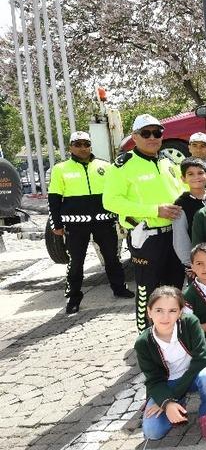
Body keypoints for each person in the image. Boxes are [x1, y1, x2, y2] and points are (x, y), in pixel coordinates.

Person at [103, 114, 186, 332]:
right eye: (146, 133)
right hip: (147, 237)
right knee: (146, 290)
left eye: (157, 133)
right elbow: (110, 201)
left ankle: (171, 333)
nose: (152, 137)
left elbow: (181, 191)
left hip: (174, 235)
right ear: (134, 136)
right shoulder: (123, 165)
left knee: (174, 287)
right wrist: (154, 210)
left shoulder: (168, 161)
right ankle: (145, 335)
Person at [48, 131, 131, 314]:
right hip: (76, 225)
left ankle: (119, 288)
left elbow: (116, 194)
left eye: (86, 144)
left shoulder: (105, 166)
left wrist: (121, 217)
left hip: (104, 222)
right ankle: (73, 297)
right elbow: (54, 198)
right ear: (71, 147)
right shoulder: (60, 169)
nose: (83, 148)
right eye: (78, 144)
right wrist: (56, 225)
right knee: (76, 262)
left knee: (112, 258)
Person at [136, 286, 206, 441]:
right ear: (149, 312)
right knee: (152, 432)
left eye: (172, 311)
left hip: (195, 375)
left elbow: (202, 359)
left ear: (180, 312)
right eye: (159, 310)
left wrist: (170, 398)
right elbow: (153, 379)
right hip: (167, 384)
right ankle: (177, 409)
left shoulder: (190, 323)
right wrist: (166, 401)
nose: (165, 317)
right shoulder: (143, 342)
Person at [172, 158, 206, 267]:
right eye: (190, 174)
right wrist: (190, 263)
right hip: (197, 262)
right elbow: (180, 236)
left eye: (200, 173)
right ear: (183, 178)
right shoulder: (181, 204)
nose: (196, 177)